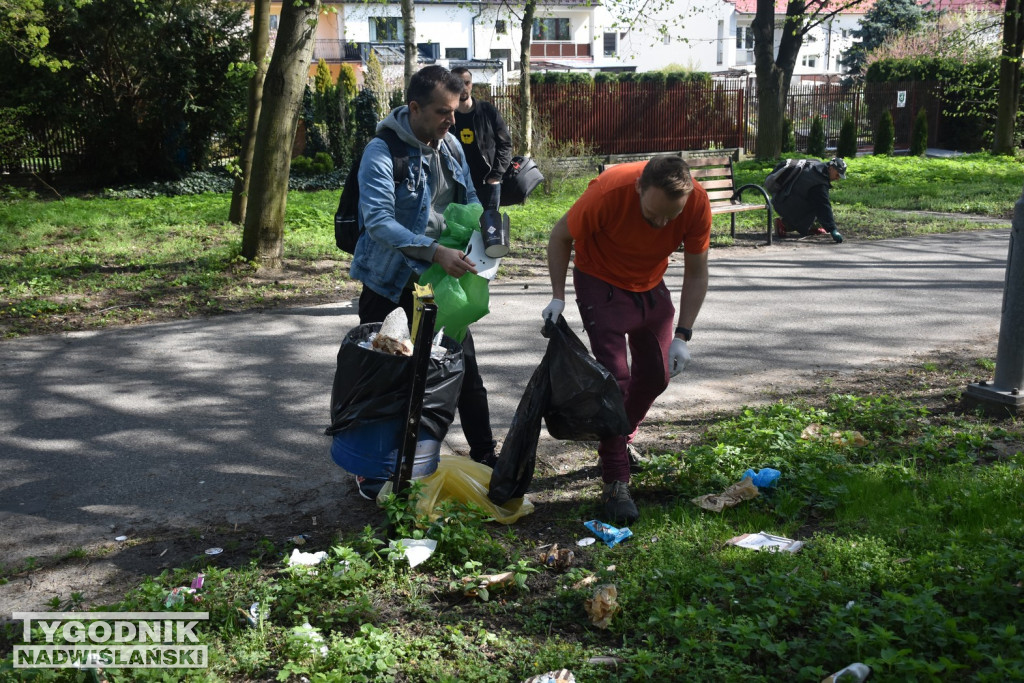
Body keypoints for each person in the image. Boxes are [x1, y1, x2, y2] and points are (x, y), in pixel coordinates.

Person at [349, 65, 498, 500]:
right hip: (390, 284)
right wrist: (435, 251)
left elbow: (468, 197)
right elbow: (378, 222)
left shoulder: (449, 143)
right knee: (385, 381)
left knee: (462, 369)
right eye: (442, 112)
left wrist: (484, 235)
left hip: (438, 283)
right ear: (414, 108)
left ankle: (487, 456)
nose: (451, 121)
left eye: (454, 111)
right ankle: (371, 472)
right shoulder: (381, 151)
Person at [542, 155, 712, 523]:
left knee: (656, 376)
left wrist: (684, 333)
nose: (661, 225)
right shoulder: (609, 191)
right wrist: (558, 296)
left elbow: (697, 271)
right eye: (653, 215)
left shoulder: (696, 201)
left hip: (650, 284)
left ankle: (618, 438)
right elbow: (560, 236)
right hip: (600, 281)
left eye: (670, 218)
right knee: (614, 382)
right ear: (639, 188)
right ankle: (615, 480)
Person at [449, 67, 513, 211]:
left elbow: (505, 144)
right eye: (458, 83)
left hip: (487, 184)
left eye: (467, 83)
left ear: (471, 84)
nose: (463, 87)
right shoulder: (447, 116)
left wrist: (496, 176)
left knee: (490, 230)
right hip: (458, 184)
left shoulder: (487, 111)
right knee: (463, 230)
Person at [772, 157, 847, 243]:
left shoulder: (816, 165)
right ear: (831, 168)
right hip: (786, 204)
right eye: (837, 175)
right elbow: (823, 207)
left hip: (780, 197)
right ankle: (783, 224)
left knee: (819, 210)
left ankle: (812, 227)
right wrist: (833, 230)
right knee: (819, 209)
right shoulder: (818, 182)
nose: (837, 179)